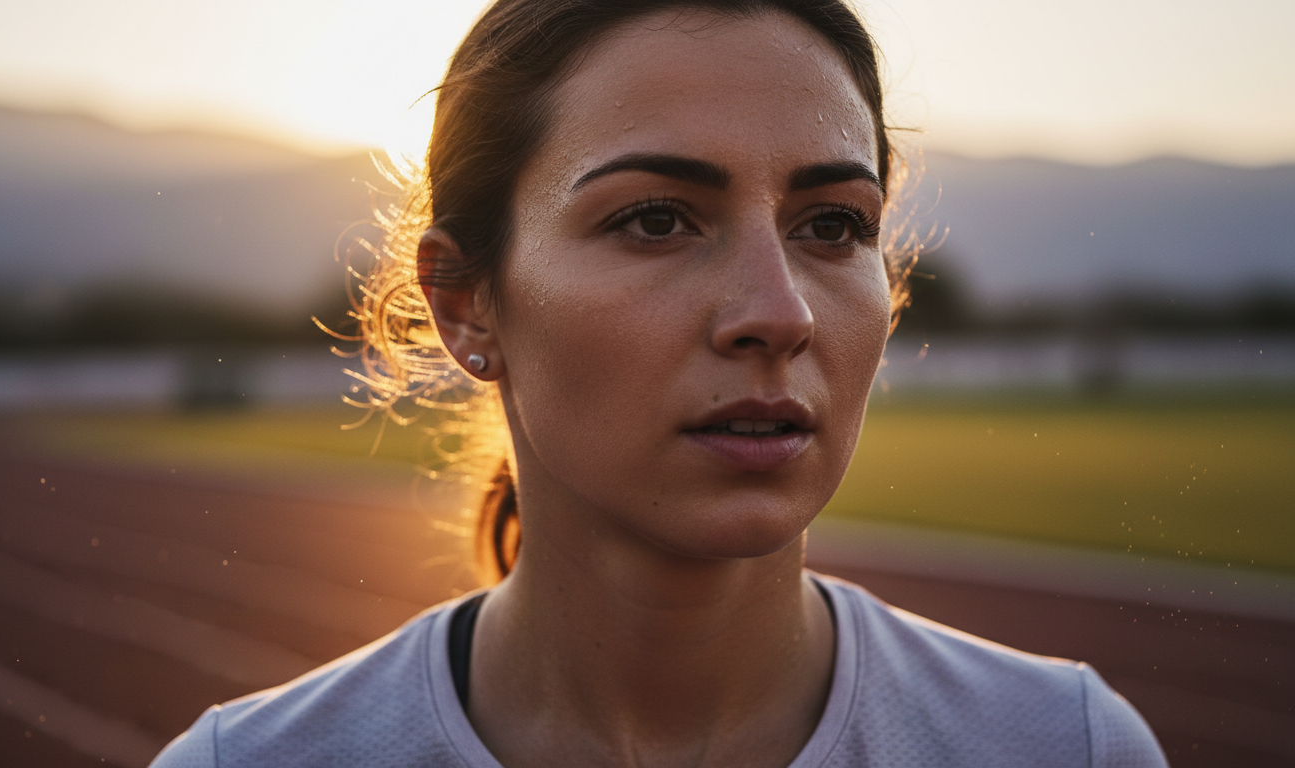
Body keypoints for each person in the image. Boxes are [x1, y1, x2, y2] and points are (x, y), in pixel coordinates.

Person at [150, 1, 1168, 766]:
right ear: (467, 304)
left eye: (833, 225)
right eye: (655, 219)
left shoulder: (1063, 747)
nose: (779, 311)